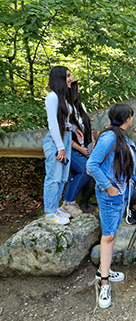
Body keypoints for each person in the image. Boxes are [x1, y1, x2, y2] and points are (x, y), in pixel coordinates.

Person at [87, 104, 136, 309]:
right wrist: (108, 187)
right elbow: (91, 165)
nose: (132, 119)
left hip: (121, 194)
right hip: (111, 195)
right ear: (127, 117)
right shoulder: (109, 137)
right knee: (108, 236)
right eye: (131, 116)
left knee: (112, 233)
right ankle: (104, 283)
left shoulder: (122, 137)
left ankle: (103, 270)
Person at [43, 66, 74, 225]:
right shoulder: (52, 97)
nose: (71, 78)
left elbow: (65, 122)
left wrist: (74, 130)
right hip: (56, 141)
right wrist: (60, 146)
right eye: (68, 76)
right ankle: (49, 212)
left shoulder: (63, 97)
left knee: (62, 177)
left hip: (66, 138)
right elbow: (53, 124)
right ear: (60, 78)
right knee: (53, 177)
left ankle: (54, 207)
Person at [61, 80, 93, 217]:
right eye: (75, 88)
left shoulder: (81, 107)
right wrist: (81, 150)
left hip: (84, 147)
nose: (78, 91)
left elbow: (87, 130)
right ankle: (69, 202)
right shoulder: (63, 107)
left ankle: (68, 204)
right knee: (85, 170)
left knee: (77, 175)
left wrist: (91, 146)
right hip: (69, 148)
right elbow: (65, 134)